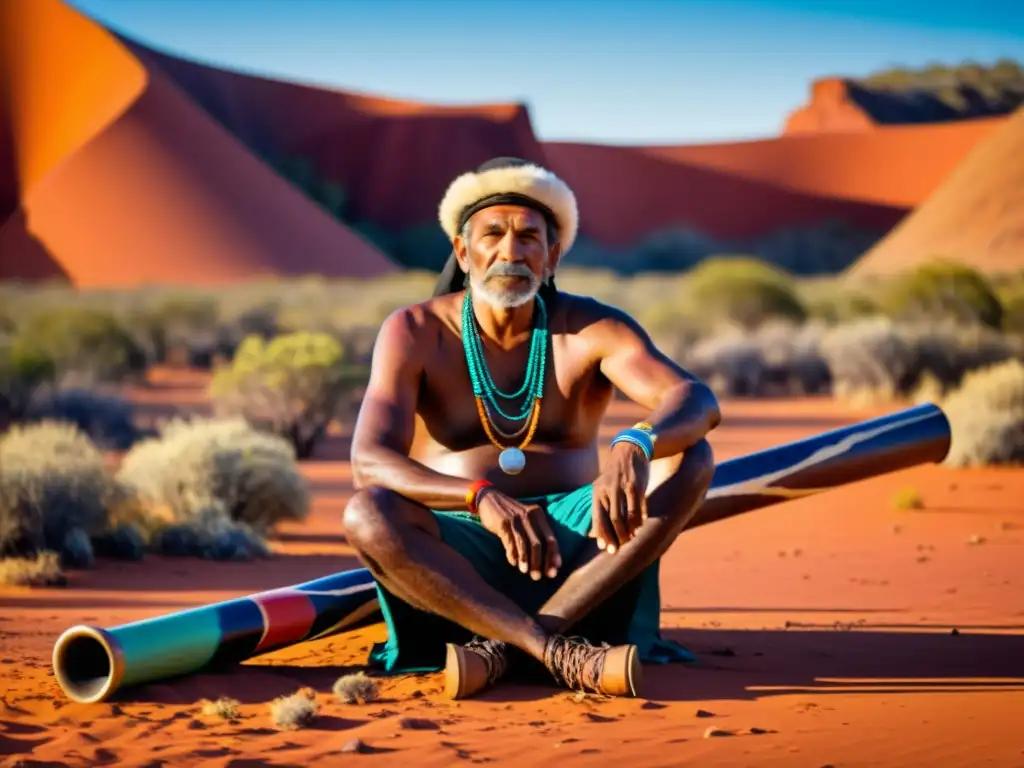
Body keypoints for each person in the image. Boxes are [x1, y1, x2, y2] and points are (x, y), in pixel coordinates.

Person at [341, 156, 721, 700]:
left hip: (580, 542)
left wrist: (637, 441)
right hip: (461, 541)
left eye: (529, 237)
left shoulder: (589, 327)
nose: (511, 252)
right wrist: (479, 497)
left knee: (691, 458)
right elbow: (368, 460)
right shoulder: (415, 329)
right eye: (492, 233)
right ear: (462, 251)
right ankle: (551, 651)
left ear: (553, 256)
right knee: (367, 511)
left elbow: (694, 398)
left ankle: (513, 644)